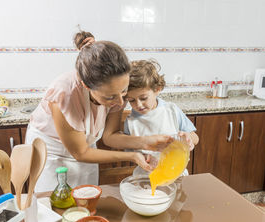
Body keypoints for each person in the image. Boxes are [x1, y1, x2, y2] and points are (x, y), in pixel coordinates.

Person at [25, 32, 172, 192]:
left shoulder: (116, 87)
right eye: (110, 97)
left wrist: (146, 142)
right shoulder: (65, 94)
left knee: (87, 202)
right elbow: (80, 153)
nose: (120, 102)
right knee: (55, 208)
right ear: (87, 87)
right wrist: (132, 156)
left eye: (123, 92)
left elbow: (110, 136)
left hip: (86, 149)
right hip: (52, 154)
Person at [121, 59, 199, 174]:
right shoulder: (131, 121)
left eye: (143, 98)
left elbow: (195, 138)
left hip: (176, 176)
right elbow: (129, 152)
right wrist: (142, 157)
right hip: (145, 178)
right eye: (131, 100)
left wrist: (187, 139)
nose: (138, 105)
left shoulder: (171, 111)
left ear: (157, 89)